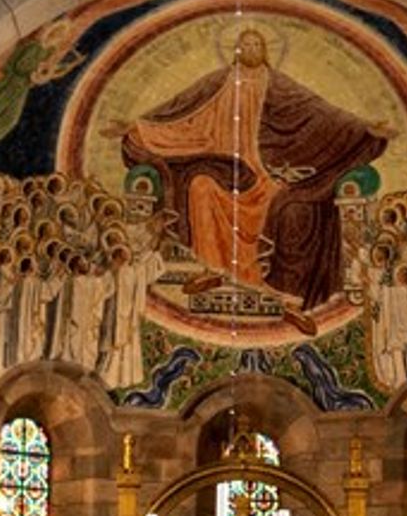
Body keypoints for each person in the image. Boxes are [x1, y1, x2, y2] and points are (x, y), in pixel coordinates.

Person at [117, 28, 389, 324]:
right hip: (219, 163)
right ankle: (214, 270)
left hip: (264, 169)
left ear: (265, 49)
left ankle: (287, 298)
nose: (250, 47)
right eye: (245, 43)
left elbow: (322, 114)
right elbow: (178, 112)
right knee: (200, 186)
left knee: (288, 207)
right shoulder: (215, 82)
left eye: (256, 43)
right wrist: (138, 128)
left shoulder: (279, 85)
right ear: (236, 49)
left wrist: (365, 128)